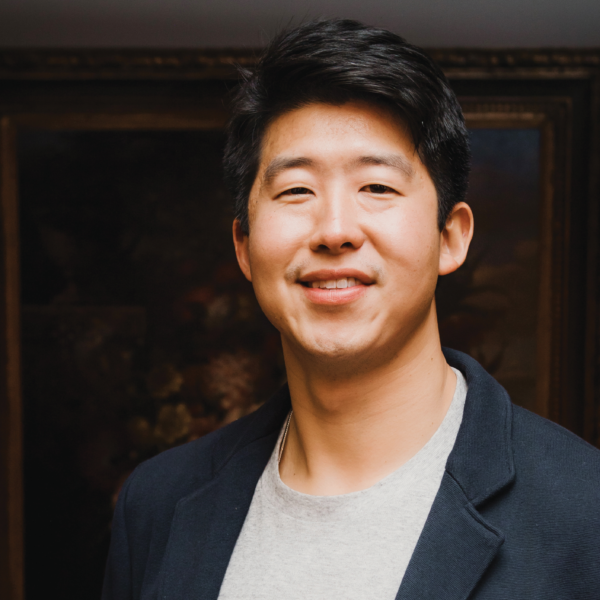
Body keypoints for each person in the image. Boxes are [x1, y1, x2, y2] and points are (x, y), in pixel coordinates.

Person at [102, 19, 600, 600]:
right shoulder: (158, 504)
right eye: (296, 191)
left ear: (450, 237)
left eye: (377, 188)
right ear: (243, 246)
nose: (334, 230)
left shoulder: (582, 510)